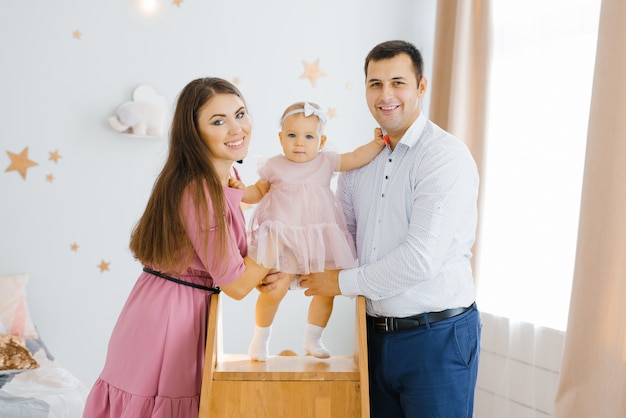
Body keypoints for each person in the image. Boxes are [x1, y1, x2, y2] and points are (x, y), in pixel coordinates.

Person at [83, 77, 285, 418]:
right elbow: (235, 284)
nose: (237, 128)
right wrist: (272, 250)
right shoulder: (201, 190)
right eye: (218, 121)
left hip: (172, 308)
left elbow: (229, 262)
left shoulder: (218, 182)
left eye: (240, 114)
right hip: (168, 320)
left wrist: (261, 268)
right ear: (195, 133)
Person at [299, 40, 481, 417]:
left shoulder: (444, 157)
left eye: (398, 82)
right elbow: (341, 244)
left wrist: (338, 283)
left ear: (421, 87)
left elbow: (420, 261)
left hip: (437, 337)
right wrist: (287, 269)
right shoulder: (358, 165)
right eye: (375, 84)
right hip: (373, 337)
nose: (386, 95)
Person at [230, 101, 385, 361]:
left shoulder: (325, 161)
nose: (299, 143)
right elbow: (257, 192)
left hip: (318, 238)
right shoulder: (274, 165)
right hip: (282, 237)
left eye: (308, 136)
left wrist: (378, 144)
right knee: (274, 289)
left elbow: (356, 157)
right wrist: (239, 189)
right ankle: (260, 338)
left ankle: (313, 338)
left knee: (325, 290)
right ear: (281, 138)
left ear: (321, 140)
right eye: (292, 135)